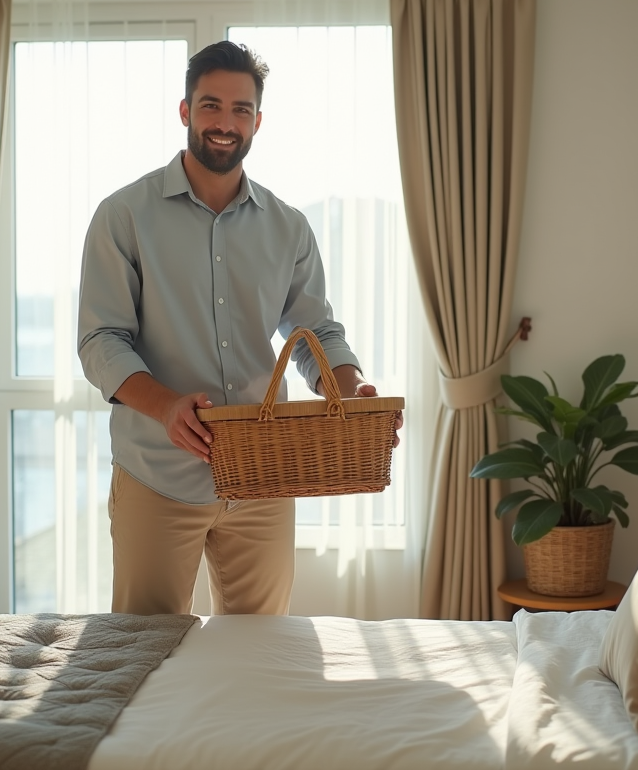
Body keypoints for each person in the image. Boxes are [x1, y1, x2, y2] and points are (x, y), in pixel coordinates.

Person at [77, 40, 402, 617]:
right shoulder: (123, 216)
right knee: (144, 659)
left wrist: (348, 394)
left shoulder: (289, 228)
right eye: (210, 106)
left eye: (240, 110)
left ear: (257, 120)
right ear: (184, 111)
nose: (225, 123)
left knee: (263, 657)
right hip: (158, 475)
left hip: (264, 482)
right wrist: (167, 407)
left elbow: (317, 331)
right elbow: (101, 341)